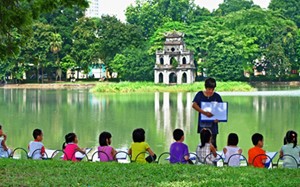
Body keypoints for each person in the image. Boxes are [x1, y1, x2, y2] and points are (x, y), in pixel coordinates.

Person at [192, 77, 223, 148]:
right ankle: (203, 157)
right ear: (206, 88)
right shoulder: (200, 94)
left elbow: (221, 110)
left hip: (213, 124)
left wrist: (219, 119)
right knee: (203, 142)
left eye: (213, 89)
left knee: (213, 142)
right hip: (203, 123)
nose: (211, 91)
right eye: (209, 89)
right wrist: (204, 112)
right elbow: (194, 105)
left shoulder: (217, 96)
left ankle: (214, 157)